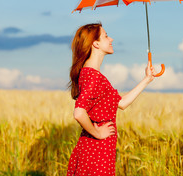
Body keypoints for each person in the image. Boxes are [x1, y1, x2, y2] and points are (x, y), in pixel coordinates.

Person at [67, 23, 156, 176]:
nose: (111, 39)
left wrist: (147, 79)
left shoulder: (90, 74)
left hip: (98, 151)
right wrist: (98, 133)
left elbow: (122, 103)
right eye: (106, 36)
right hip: (96, 153)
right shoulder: (94, 77)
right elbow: (79, 113)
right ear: (96, 43)